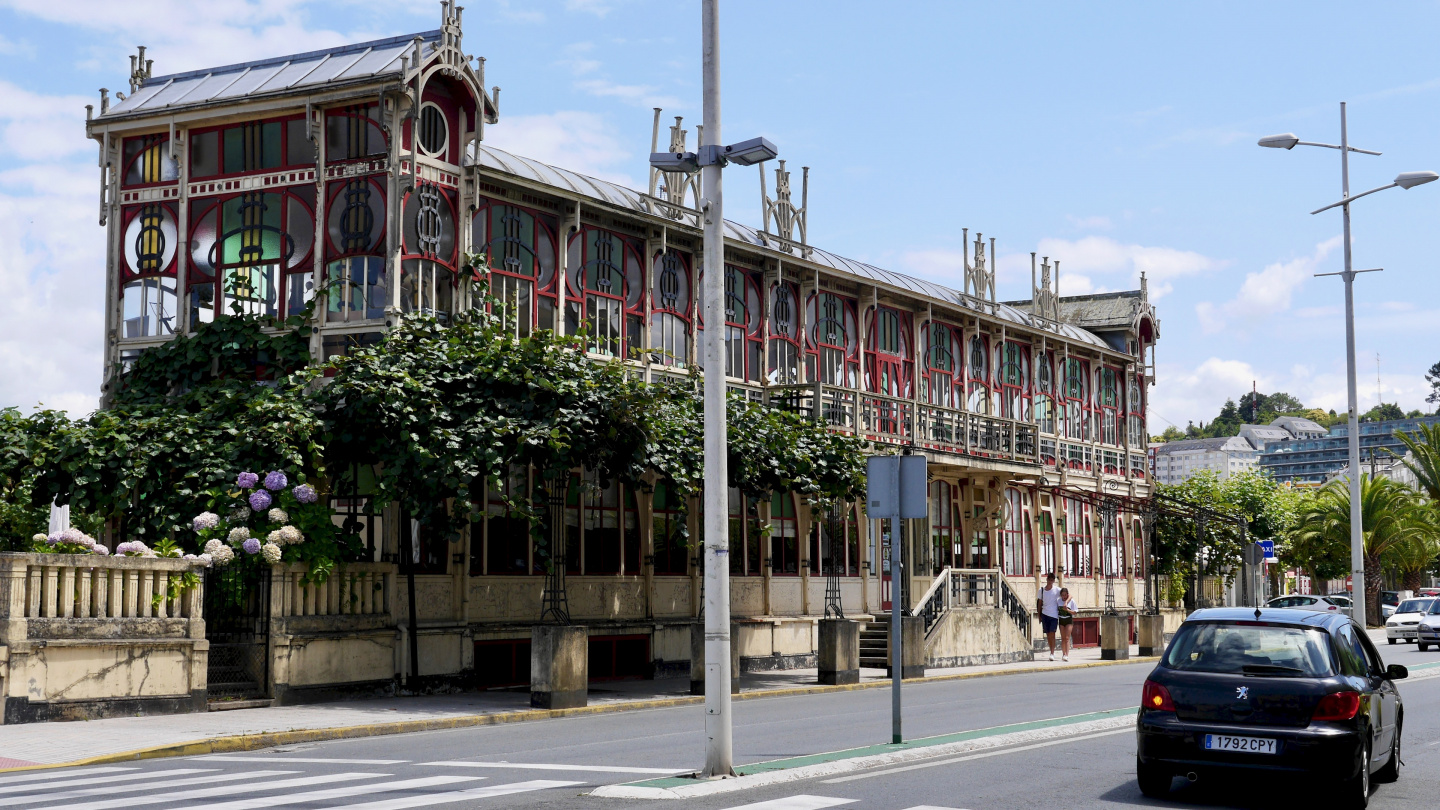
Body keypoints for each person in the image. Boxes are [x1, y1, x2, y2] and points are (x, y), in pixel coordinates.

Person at [1037, 572, 1061, 661]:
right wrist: (1039, 615)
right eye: (1049, 579)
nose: (1050, 581)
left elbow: (1067, 594)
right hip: (1045, 614)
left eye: (1052, 580)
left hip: (1054, 615)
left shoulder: (1057, 590)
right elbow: (1039, 603)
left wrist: (1066, 602)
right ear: (1047, 579)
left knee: (1052, 633)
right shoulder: (1041, 590)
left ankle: (1052, 652)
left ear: (1054, 581)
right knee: (1048, 634)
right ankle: (1051, 650)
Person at [1057, 587, 1077, 662]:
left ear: (1067, 595)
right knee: (1063, 638)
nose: (1064, 597)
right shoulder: (1058, 601)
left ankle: (1067, 655)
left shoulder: (1071, 601)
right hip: (1061, 620)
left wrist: (1068, 610)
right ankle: (1063, 653)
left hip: (1068, 619)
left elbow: (1075, 612)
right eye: (1062, 595)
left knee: (1067, 638)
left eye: (1065, 595)